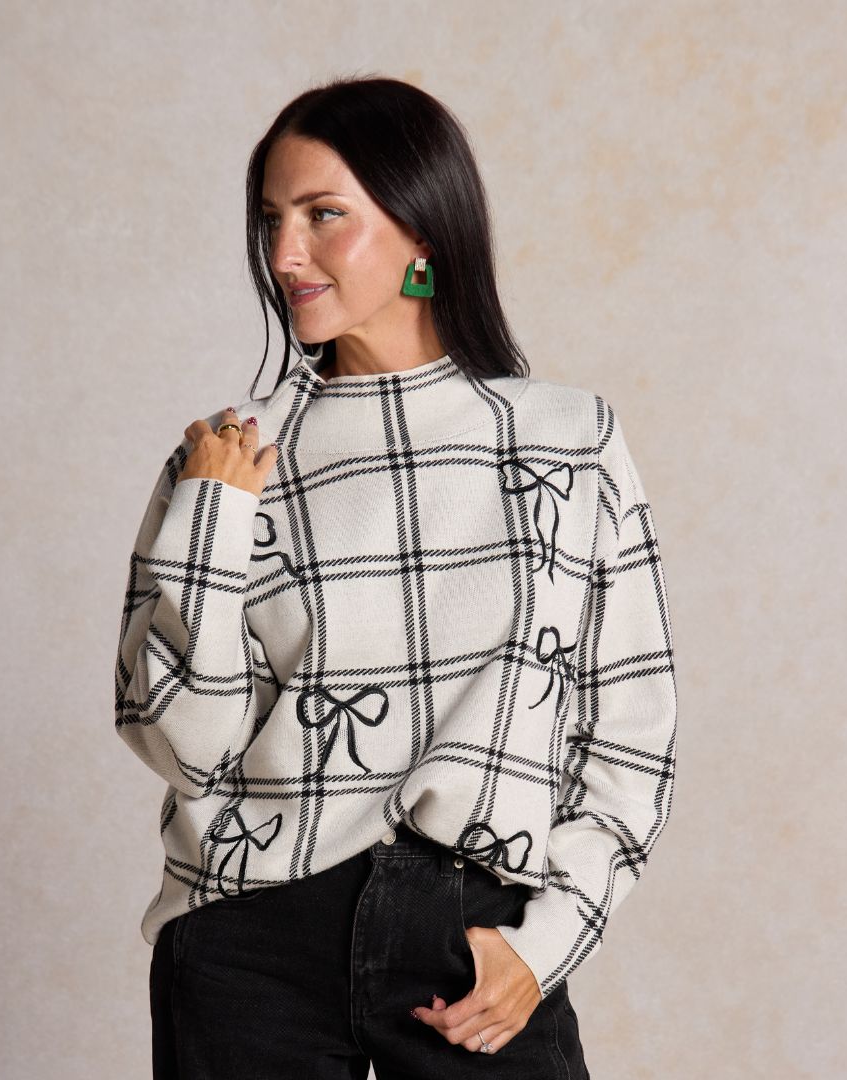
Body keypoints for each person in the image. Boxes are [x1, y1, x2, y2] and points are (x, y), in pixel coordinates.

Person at [114, 74, 678, 1079]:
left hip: (474, 937)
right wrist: (211, 518)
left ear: (422, 228)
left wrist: (547, 942)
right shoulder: (230, 460)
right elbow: (183, 746)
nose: (285, 255)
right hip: (248, 941)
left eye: (323, 215)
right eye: (272, 221)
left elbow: (632, 732)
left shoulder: (567, 443)